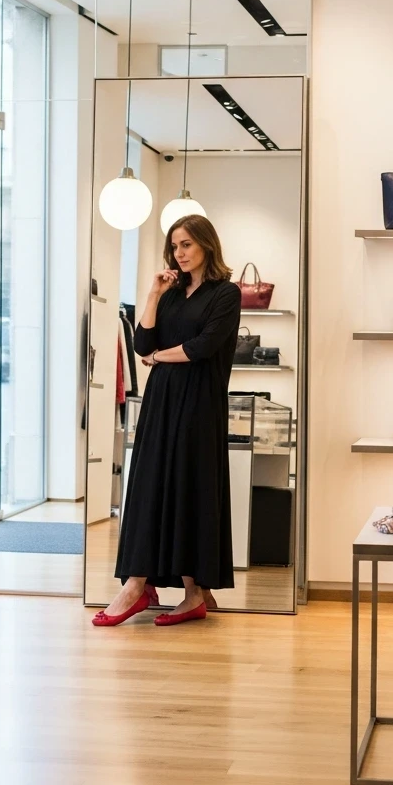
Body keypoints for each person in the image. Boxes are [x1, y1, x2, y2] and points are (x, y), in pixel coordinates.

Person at [93, 215, 241, 627]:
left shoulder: (225, 294)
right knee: (150, 486)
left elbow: (202, 347)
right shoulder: (172, 293)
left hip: (198, 403)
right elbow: (141, 342)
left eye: (187, 244)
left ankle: (193, 592)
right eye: (175, 246)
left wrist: (158, 357)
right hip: (162, 400)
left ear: (207, 245)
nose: (180, 252)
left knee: (189, 488)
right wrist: (155, 293)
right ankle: (140, 584)